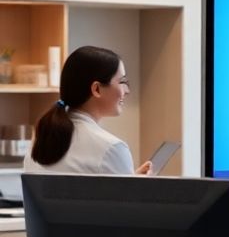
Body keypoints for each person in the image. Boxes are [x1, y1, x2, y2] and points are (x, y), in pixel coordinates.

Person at [25, 45, 152, 175]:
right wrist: (137, 187)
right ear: (96, 89)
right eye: (122, 81)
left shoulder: (41, 138)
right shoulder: (112, 148)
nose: (127, 91)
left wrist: (130, 179)